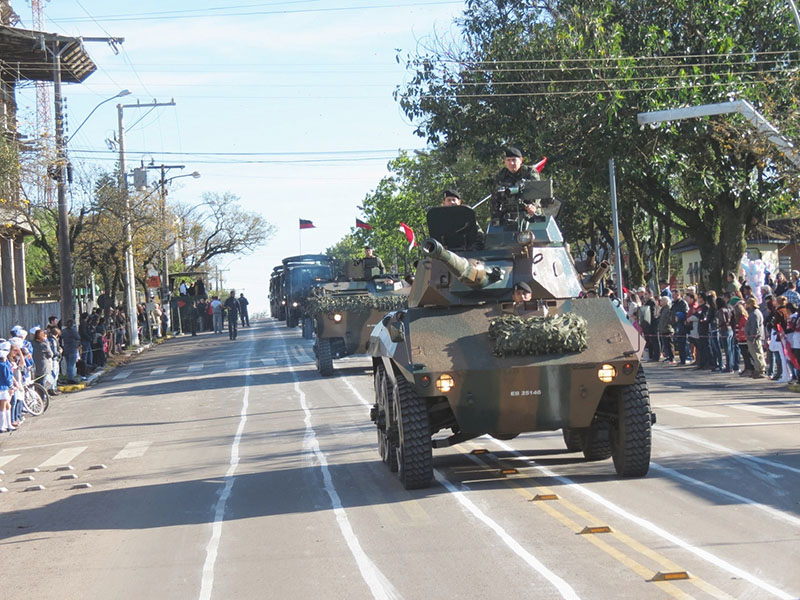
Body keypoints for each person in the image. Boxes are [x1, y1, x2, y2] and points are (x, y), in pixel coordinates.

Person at [745, 297, 767, 378]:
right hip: (754, 337)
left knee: (756, 353)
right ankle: (758, 369)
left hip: (754, 337)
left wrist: (752, 335)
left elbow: (755, 326)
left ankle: (760, 370)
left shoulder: (754, 314)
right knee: (757, 353)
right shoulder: (754, 312)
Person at [61, 319, 80, 384]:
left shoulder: (63, 331)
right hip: (73, 348)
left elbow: (61, 338)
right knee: (71, 364)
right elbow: (78, 338)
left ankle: (70, 376)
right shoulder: (74, 331)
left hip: (66, 348)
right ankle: (71, 378)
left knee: (68, 363)